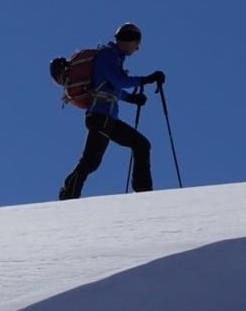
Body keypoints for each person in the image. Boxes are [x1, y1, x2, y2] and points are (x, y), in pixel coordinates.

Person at [59, 22, 166, 200]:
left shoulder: (112, 57)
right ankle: (68, 195)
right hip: (101, 117)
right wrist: (145, 80)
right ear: (128, 40)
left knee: (140, 145)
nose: (137, 48)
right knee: (91, 161)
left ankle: (143, 191)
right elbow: (119, 81)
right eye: (136, 43)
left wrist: (131, 99)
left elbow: (110, 87)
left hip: (104, 118)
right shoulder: (108, 56)